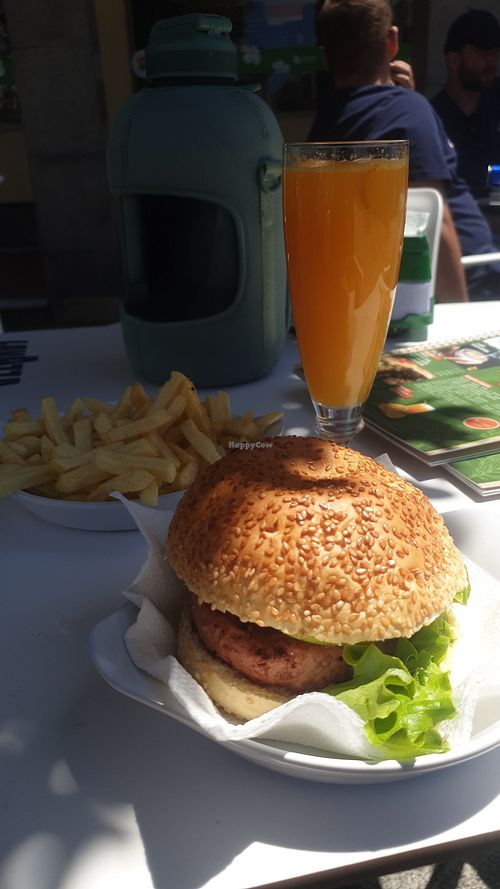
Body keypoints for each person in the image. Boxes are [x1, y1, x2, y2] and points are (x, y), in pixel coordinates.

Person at [309, 0, 500, 302]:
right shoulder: (408, 111)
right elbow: (434, 223)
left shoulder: (323, 126)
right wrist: (459, 336)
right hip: (471, 283)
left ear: (326, 57)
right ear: (392, 41)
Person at [431, 9, 500, 200]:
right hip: (458, 223)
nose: (492, 61)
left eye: (495, 52)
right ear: (453, 60)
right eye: (482, 52)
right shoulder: (433, 118)